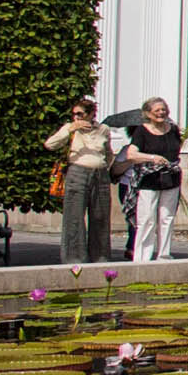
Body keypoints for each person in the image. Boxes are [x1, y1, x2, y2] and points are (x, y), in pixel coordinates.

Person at [44, 97, 115, 263]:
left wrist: (105, 166)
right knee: (74, 216)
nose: (76, 117)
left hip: (99, 173)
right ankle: (74, 258)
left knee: (100, 216)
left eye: (80, 114)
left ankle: (100, 257)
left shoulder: (103, 129)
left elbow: (108, 152)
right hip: (78, 171)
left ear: (90, 114)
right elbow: (50, 144)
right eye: (74, 114)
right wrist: (70, 129)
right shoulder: (70, 128)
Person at [117, 98, 185, 263]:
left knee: (166, 217)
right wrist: (152, 158)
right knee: (147, 219)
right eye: (157, 111)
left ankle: (164, 255)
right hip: (148, 179)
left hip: (170, 177)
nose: (161, 113)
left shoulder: (173, 129)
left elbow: (177, 149)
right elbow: (131, 155)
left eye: (163, 110)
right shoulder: (142, 131)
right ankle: (142, 257)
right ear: (148, 114)